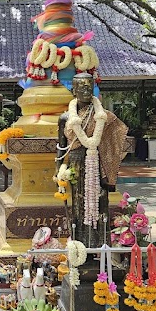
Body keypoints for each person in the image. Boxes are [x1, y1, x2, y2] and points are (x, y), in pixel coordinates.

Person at [56, 72, 128, 249]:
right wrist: (58, 171)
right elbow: (60, 147)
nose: (86, 90)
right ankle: (80, 248)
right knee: (79, 205)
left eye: (89, 86)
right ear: (73, 90)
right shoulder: (66, 118)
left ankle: (101, 247)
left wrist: (109, 168)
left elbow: (115, 139)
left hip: (99, 165)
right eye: (81, 87)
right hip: (76, 164)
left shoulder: (104, 116)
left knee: (99, 204)